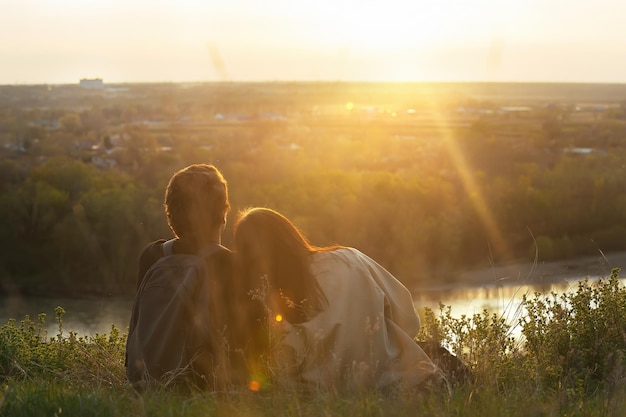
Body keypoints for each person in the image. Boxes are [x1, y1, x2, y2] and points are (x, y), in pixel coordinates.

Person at [233, 207, 445, 393]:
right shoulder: (349, 259)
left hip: (323, 395)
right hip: (394, 382)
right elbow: (409, 318)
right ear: (289, 235)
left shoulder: (269, 306)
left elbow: (280, 368)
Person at [126, 164, 247, 390]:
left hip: (142, 380)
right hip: (201, 386)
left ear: (170, 213)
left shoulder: (152, 256)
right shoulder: (231, 264)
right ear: (224, 213)